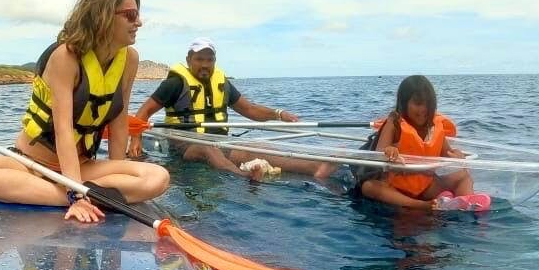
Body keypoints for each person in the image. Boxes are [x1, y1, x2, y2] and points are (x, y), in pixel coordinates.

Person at [0, 0, 170, 223]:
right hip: (32, 165)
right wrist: (74, 194)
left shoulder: (129, 59)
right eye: (130, 15)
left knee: (157, 178)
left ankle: (51, 193)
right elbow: (62, 129)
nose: (139, 23)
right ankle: (80, 196)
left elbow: (119, 123)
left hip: (82, 167)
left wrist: (119, 171)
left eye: (138, 15)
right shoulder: (66, 57)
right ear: (102, 17)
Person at [128, 38, 330, 180]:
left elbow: (249, 110)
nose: (205, 65)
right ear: (189, 60)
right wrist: (135, 139)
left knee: (258, 149)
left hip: (220, 142)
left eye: (210, 60)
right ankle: (244, 177)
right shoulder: (174, 84)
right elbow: (143, 112)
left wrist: (278, 114)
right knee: (208, 148)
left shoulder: (222, 84)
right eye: (200, 59)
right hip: (185, 145)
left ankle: (316, 168)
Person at [358, 74, 475, 210]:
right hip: (396, 189)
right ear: (404, 103)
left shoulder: (434, 126)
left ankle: (465, 205)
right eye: (418, 103)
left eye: (428, 104)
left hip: (426, 186)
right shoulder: (394, 123)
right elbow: (378, 155)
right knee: (369, 187)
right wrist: (389, 151)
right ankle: (423, 205)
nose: (423, 109)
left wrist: (458, 155)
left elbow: (447, 153)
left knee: (463, 176)